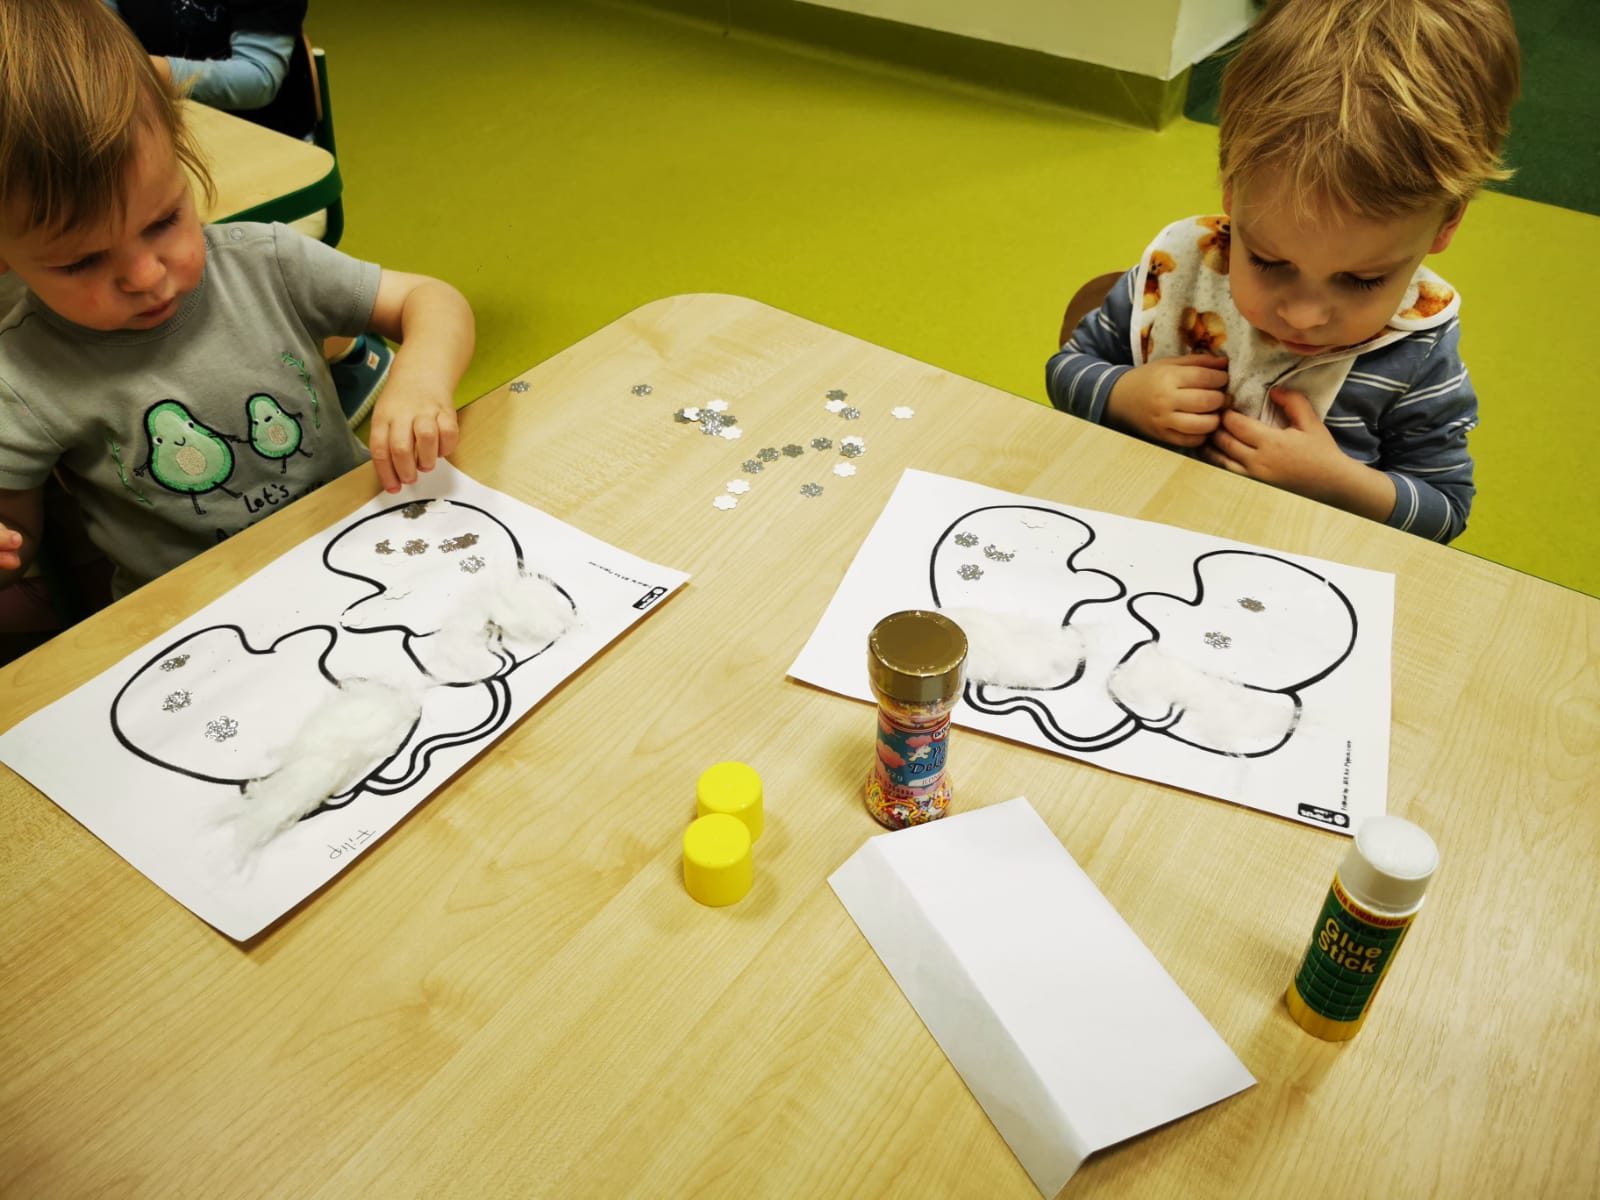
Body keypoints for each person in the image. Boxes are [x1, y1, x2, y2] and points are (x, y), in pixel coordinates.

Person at [0, 0, 474, 605]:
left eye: (164, 220)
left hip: (368, 544)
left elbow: (432, 300)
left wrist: (422, 379)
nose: (146, 276)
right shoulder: (20, 374)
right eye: (82, 261)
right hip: (202, 614)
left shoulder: (265, 263)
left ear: (184, 160)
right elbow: (18, 534)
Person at [1046, 0, 1520, 543]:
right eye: (1270, 262)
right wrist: (1121, 395)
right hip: (1132, 535)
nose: (1303, 315)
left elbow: (1446, 512)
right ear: (1232, 190)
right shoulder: (1181, 269)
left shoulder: (1419, 353)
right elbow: (1067, 370)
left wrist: (1338, 481)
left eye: (1362, 280)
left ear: (1445, 224)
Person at [103, 0, 393, 426]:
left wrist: (152, 72)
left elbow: (258, 79)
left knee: (221, 278)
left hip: (274, 158)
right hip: (183, 154)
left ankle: (345, 349)